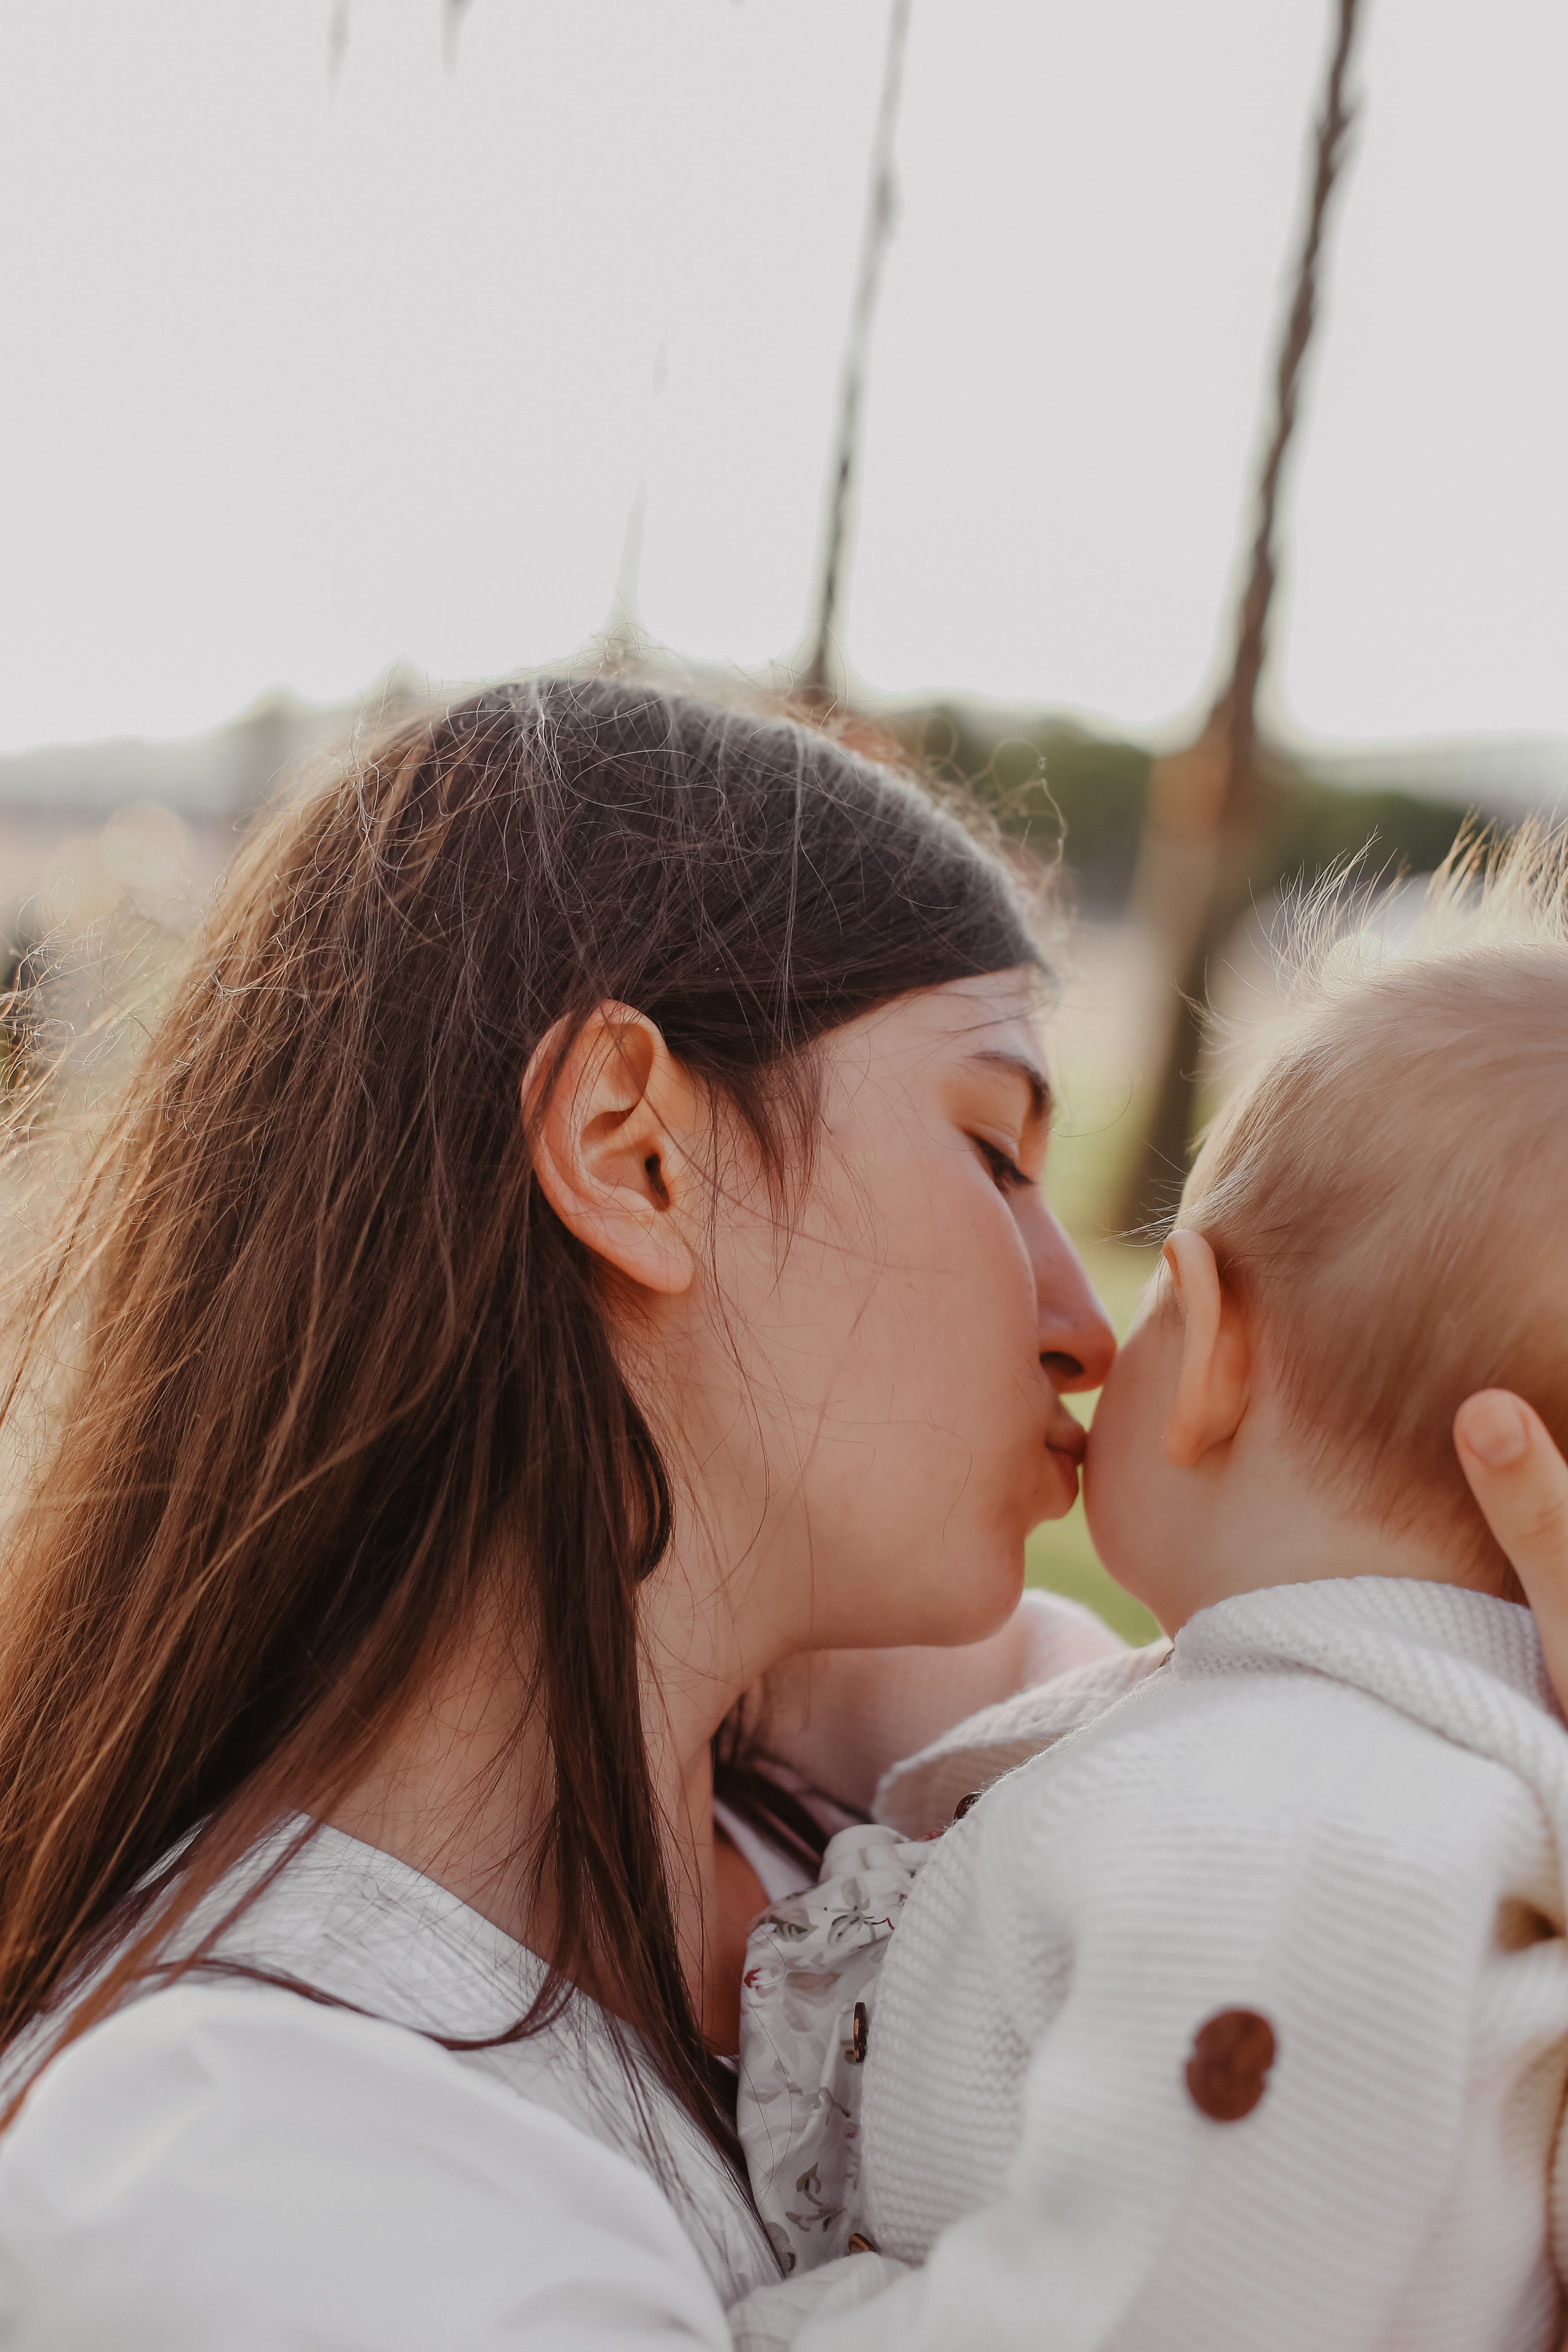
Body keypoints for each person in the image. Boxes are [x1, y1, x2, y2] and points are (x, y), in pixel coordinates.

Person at [0, 673, 1560, 2352]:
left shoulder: (937, 1758)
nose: (1087, 1324)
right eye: (994, 1151)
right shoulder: (247, 2166)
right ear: (630, 1151)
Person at [731, 836, 1568, 2351]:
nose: (1089, 1341)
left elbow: (1162, 2304)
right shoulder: (1348, 1765)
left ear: (1210, 1351)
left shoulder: (1294, 1815)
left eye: (1149, 1303)